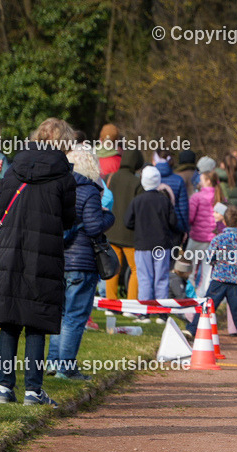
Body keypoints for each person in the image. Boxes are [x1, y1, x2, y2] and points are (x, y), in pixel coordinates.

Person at [0, 117, 76, 407]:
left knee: (9, 321)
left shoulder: (15, 168)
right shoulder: (64, 176)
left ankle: (4, 386)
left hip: (10, 253)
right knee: (36, 322)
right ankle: (33, 390)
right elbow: (69, 218)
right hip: (44, 254)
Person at [47, 145, 114, 380]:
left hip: (60, 258)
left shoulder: (59, 188)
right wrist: (108, 216)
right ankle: (66, 368)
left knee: (61, 315)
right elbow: (94, 227)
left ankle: (53, 362)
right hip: (82, 261)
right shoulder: (89, 191)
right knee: (75, 317)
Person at [186, 206, 237, 344]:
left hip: (219, 279)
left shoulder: (218, 239)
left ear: (224, 222)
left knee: (208, 305)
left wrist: (216, 263)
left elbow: (210, 258)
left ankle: (193, 329)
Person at [127, 166, 179, 303]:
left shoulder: (137, 201)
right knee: (161, 278)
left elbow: (128, 222)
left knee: (144, 277)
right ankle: (161, 309)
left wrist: (139, 227)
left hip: (143, 244)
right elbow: (173, 222)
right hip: (161, 245)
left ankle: (146, 308)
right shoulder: (164, 200)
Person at [105, 149, 144, 300]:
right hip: (130, 235)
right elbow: (140, 210)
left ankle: (110, 303)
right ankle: (131, 304)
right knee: (136, 270)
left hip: (111, 230)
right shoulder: (137, 183)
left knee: (113, 268)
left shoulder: (111, 177)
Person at [188, 168, 226, 297]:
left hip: (197, 237)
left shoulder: (196, 197)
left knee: (190, 269)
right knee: (207, 272)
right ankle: (203, 297)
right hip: (213, 239)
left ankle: (189, 295)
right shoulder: (221, 197)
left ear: (208, 181)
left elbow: (190, 218)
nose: (199, 182)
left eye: (202, 180)